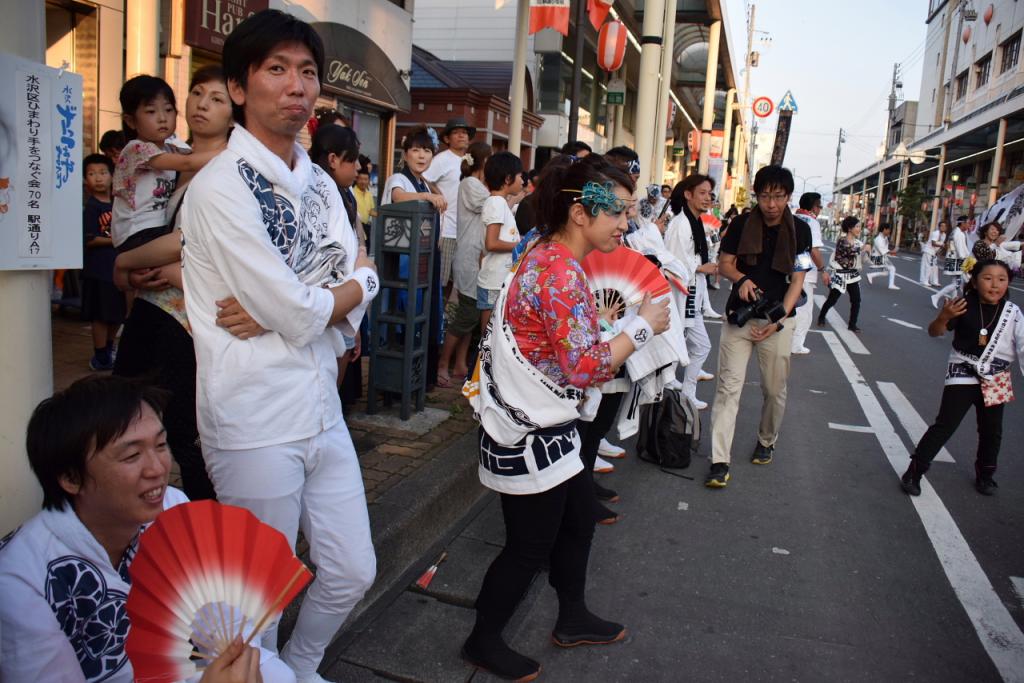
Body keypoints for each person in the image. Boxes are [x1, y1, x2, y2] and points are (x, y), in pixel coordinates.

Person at [180, 11, 379, 682]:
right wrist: (321, 301)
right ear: (239, 86)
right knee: (253, 599)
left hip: (321, 403)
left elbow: (356, 273)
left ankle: (300, 666)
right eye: (276, 70)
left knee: (353, 567)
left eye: (307, 72)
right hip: (254, 418)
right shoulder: (217, 189)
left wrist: (313, 305)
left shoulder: (321, 182)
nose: (296, 86)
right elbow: (315, 300)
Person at [462, 155, 670, 681]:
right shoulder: (558, 270)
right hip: (532, 430)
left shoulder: (544, 247)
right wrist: (641, 326)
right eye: (619, 213)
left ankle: (571, 616)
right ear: (580, 212)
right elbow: (585, 367)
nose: (626, 224)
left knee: (578, 521)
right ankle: (482, 640)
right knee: (528, 546)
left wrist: (598, 322)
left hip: (549, 427)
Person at [0, 375, 293, 683]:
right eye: (132, 455)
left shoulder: (171, 506)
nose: (158, 468)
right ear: (71, 478)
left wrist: (241, 660)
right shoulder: (20, 581)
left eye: (161, 444)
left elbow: (224, 615)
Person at [110, 65, 233, 503]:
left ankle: (209, 532)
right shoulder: (169, 157)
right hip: (158, 307)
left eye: (217, 99)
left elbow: (190, 242)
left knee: (180, 432)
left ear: (235, 113)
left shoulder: (225, 169)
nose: (201, 104)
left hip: (183, 317)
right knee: (125, 419)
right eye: (197, 93)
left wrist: (125, 262)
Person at [705, 165, 812, 488]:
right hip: (740, 317)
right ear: (757, 195)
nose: (771, 204)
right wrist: (741, 279)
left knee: (773, 390)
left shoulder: (801, 232)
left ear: (788, 197)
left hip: (778, 323)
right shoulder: (740, 224)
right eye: (765, 196)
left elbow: (797, 282)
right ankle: (718, 461)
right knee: (728, 389)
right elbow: (725, 263)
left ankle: (766, 439)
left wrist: (778, 321)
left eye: (778, 196)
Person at [900, 260, 1024, 496]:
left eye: (1001, 279)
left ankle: (986, 476)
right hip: (964, 370)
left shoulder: (1013, 313)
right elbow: (934, 332)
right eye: (988, 278)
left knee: (992, 430)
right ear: (975, 282)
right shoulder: (962, 305)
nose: (995, 284)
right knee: (945, 424)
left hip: (996, 376)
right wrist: (943, 317)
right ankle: (914, 472)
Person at [110, 75, 222, 254]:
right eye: (151, 112)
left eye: (169, 110)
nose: (162, 118)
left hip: (156, 229)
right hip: (136, 232)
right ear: (131, 121)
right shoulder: (136, 149)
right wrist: (232, 151)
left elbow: (193, 156)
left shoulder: (171, 149)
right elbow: (188, 162)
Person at [381, 126, 448, 386]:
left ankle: (418, 379)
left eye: (427, 150)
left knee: (423, 317)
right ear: (405, 153)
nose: (421, 156)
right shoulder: (398, 179)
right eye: (416, 150)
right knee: (402, 317)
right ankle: (396, 381)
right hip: (401, 263)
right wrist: (426, 196)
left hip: (423, 260)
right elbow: (399, 197)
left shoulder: (425, 182)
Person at [309, 123, 366, 398]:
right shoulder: (315, 193)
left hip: (343, 302)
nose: (358, 168)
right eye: (352, 160)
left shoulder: (344, 193)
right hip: (326, 301)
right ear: (333, 159)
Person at [439, 141, 492, 387]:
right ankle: (443, 364)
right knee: (467, 313)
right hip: (469, 258)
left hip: (475, 257)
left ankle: (460, 363)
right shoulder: (470, 184)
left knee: (469, 312)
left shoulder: (476, 185)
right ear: (484, 162)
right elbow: (493, 206)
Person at [664, 174, 719, 409]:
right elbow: (672, 263)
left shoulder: (694, 221)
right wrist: (699, 267)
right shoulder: (680, 223)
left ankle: (682, 391)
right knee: (685, 345)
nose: (707, 198)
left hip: (691, 294)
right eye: (702, 193)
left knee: (691, 345)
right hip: (680, 295)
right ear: (688, 194)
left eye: (710, 194)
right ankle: (676, 392)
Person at [80, 153, 125, 371]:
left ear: (112, 176)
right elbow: (89, 239)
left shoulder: (119, 204)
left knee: (116, 312)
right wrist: (114, 239)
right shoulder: (91, 208)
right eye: (91, 174)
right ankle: (100, 356)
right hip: (98, 270)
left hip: (117, 270)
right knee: (100, 315)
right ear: (84, 180)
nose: (98, 178)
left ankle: (109, 348)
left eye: (102, 173)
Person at [424, 117, 474, 293]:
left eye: (465, 132)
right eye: (456, 132)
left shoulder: (470, 160)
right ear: (447, 139)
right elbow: (424, 177)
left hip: (465, 231)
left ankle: (444, 316)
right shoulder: (442, 159)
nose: (462, 135)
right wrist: (438, 194)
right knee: (441, 281)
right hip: (446, 230)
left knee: (456, 281)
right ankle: (437, 318)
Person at [476, 152, 524, 334]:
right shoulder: (496, 203)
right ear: (508, 179)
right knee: (489, 333)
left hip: (498, 278)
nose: (522, 181)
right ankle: (484, 362)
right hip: (493, 281)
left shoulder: (500, 202)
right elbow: (492, 243)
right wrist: (521, 245)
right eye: (520, 176)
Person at [790, 192, 829, 355]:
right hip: (805, 271)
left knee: (789, 305)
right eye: (819, 206)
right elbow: (813, 250)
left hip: (786, 267)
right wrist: (822, 269)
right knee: (804, 310)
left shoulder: (792, 218)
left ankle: (785, 339)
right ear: (814, 207)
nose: (820, 209)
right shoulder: (812, 222)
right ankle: (796, 344)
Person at [817, 216, 871, 332]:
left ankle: (852, 324)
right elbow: (848, 251)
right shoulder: (842, 240)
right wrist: (862, 249)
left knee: (856, 300)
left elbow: (864, 260)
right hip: (840, 275)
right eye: (857, 227)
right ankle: (822, 316)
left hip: (853, 275)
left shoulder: (859, 243)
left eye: (859, 227)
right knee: (832, 299)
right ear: (850, 228)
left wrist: (868, 252)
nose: (859, 229)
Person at [932, 217, 972, 308]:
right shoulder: (959, 234)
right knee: (957, 284)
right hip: (956, 260)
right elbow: (961, 250)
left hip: (952, 258)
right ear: (962, 223)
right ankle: (936, 296)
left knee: (955, 282)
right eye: (968, 223)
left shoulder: (956, 232)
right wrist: (966, 261)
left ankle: (953, 302)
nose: (969, 225)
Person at [865, 223, 900, 289]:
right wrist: (893, 251)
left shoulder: (885, 237)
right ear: (884, 230)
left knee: (886, 272)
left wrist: (892, 251)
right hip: (877, 258)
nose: (889, 231)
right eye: (888, 229)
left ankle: (871, 275)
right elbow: (882, 251)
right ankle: (891, 285)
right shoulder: (878, 239)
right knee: (892, 268)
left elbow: (885, 248)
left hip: (882, 257)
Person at [353, 166, 376, 244]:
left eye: (365, 179)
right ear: (356, 179)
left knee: (367, 250)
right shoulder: (352, 193)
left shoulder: (369, 194)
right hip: (355, 226)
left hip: (366, 227)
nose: (363, 182)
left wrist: (382, 214)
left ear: (369, 181)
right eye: (361, 179)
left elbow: (370, 211)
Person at [919, 221, 945, 286]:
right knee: (928, 266)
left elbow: (940, 245)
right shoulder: (936, 233)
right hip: (928, 251)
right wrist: (941, 246)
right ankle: (924, 281)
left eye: (944, 226)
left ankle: (934, 281)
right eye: (942, 226)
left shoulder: (944, 235)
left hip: (934, 253)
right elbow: (933, 243)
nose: (943, 227)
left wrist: (938, 252)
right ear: (939, 227)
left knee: (935, 267)